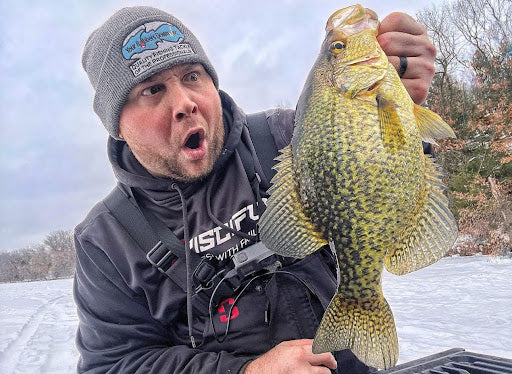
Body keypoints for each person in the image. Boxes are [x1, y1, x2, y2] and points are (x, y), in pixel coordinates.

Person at [74, 5, 437, 374]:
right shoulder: (105, 240)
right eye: (152, 89)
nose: (185, 103)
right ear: (117, 124)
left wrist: (399, 103)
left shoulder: (288, 138)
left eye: (193, 76)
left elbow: (384, 171)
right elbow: (113, 364)